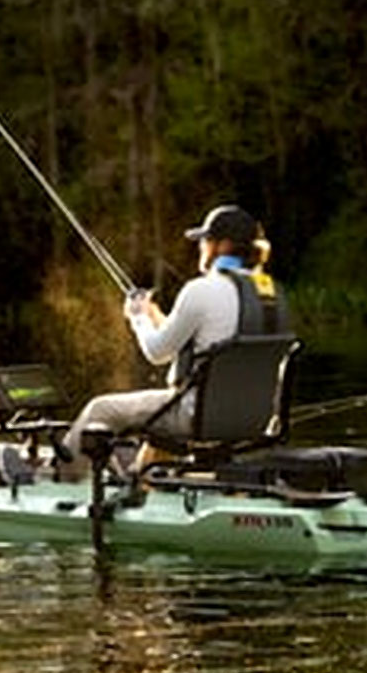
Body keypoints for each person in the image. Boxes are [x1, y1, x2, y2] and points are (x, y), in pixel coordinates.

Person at [57, 204, 288, 476]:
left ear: (223, 246)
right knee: (162, 414)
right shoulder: (274, 294)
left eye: (206, 240)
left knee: (101, 409)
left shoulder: (200, 290)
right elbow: (210, 334)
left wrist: (138, 317)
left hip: (196, 417)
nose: (201, 247)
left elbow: (157, 353)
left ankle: (63, 481)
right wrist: (156, 317)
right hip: (254, 421)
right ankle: (142, 482)